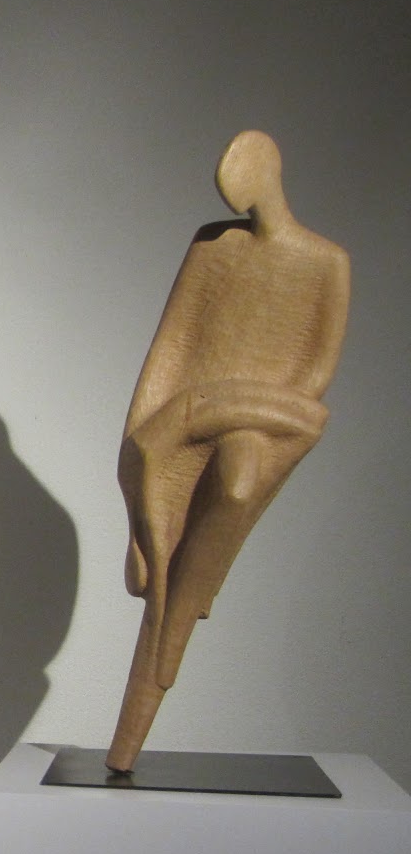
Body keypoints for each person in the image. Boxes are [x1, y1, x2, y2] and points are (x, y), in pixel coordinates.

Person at [108, 132, 349, 771]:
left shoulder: (325, 261)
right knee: (158, 547)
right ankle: (148, 685)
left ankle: (182, 616)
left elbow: (316, 374)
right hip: (185, 416)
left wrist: (232, 406)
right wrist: (138, 444)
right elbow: (171, 347)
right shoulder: (213, 247)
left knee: (239, 484)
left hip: (256, 419)